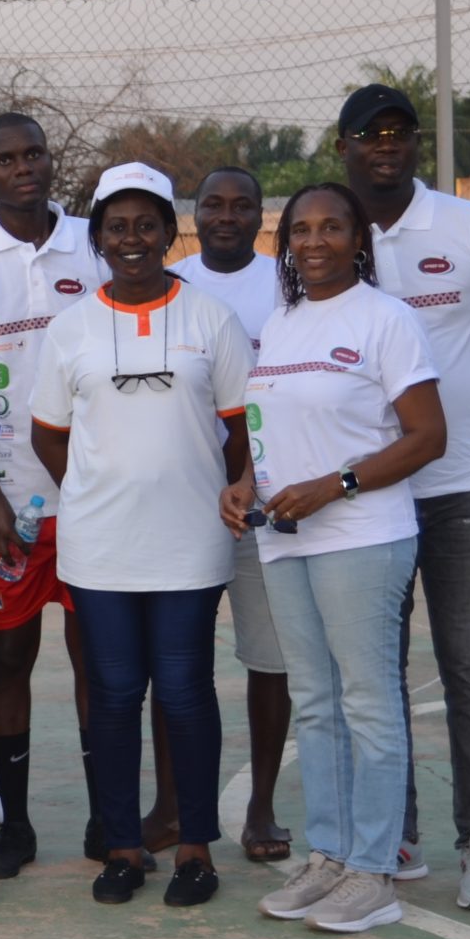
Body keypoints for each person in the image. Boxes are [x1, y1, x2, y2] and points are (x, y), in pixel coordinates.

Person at [339, 82, 470, 909]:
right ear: (344, 146)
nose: (385, 145)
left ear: (415, 145)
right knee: (376, 669)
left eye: (399, 132)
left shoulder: (468, 228)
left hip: (459, 486)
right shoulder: (330, 236)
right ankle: (397, 831)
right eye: (369, 134)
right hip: (369, 495)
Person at [29, 164, 254, 908]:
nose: (132, 239)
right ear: (97, 238)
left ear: (167, 232)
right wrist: (105, 487)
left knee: (186, 692)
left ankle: (194, 845)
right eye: (116, 227)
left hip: (191, 542)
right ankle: (122, 846)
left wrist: (202, 488)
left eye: (146, 224)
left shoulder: (209, 319)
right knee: (116, 694)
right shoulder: (71, 329)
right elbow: (49, 436)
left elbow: (240, 430)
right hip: (100, 546)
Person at [227, 182, 447, 935]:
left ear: (359, 239)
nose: (314, 241)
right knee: (315, 705)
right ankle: (328, 855)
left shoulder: (387, 320)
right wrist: (244, 486)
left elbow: (426, 437)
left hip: (363, 536)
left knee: (369, 704)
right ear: (285, 243)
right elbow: (271, 429)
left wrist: (337, 484)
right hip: (285, 540)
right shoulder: (281, 323)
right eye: (300, 230)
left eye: (331, 228)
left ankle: (374, 871)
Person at [0, 114, 126, 878]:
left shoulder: (93, 245)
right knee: (9, 658)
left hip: (96, 498)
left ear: (52, 160)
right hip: (9, 506)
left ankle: (108, 816)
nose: (24, 169)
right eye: (6, 160)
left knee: (98, 662)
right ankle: (15, 823)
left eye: (35, 154)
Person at [175, 166, 295, 863]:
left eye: (242, 205)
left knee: (267, 661)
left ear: (260, 216)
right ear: (194, 216)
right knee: (178, 663)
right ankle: (172, 804)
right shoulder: (174, 285)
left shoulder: (285, 285)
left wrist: (255, 476)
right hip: (186, 503)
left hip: (262, 501)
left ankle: (261, 808)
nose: (227, 215)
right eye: (213, 205)